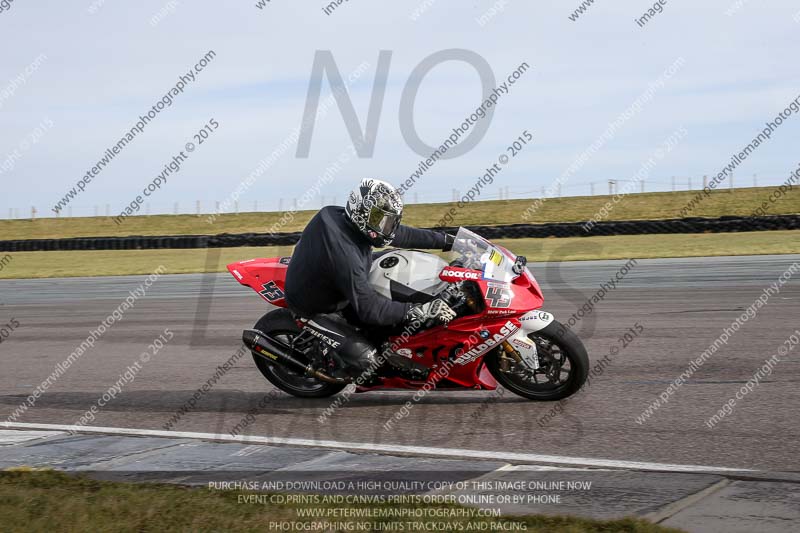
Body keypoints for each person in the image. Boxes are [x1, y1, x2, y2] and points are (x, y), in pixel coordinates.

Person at [284, 178, 456, 376]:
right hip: (318, 308)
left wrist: (447, 240)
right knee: (368, 363)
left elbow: (400, 234)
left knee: (403, 263)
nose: (386, 226)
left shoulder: (346, 218)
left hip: (338, 278)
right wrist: (418, 311)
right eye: (380, 220)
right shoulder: (344, 253)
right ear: (361, 212)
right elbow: (369, 309)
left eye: (389, 220)